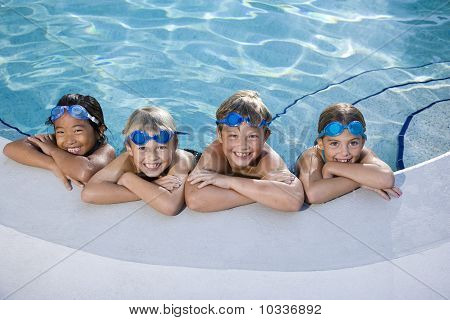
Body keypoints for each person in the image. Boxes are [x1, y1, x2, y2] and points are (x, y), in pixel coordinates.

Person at [185, 90, 304, 212]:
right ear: (219, 135)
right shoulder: (215, 153)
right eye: (233, 136)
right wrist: (262, 186)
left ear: (265, 136)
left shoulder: (267, 159)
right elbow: (195, 199)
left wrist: (229, 182)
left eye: (252, 136)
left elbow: (294, 199)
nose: (242, 146)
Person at [81, 106, 198, 216]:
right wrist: (151, 185)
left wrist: (127, 179)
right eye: (142, 148)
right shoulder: (127, 159)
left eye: (161, 147)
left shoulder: (181, 160)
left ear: (175, 145)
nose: (152, 157)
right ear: (129, 149)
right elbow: (89, 193)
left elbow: (170, 206)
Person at [3, 93, 115, 190]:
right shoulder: (56, 140)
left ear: (100, 130)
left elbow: (84, 172)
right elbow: (11, 148)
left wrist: (53, 150)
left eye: (77, 131)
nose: (69, 140)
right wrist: (53, 164)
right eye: (61, 132)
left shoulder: (106, 151)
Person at [296, 102, 402, 204]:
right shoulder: (311, 157)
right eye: (334, 143)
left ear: (362, 142)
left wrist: (331, 167)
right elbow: (312, 195)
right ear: (321, 144)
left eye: (353, 143)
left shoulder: (363, 153)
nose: (344, 152)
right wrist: (361, 181)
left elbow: (387, 179)